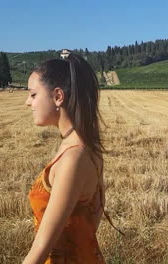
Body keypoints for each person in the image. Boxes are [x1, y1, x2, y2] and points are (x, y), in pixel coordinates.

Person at [23, 51, 109, 263]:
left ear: (58, 96)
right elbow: (90, 221)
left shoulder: (74, 157)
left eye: (33, 94)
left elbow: (42, 246)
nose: (28, 102)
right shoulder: (85, 148)